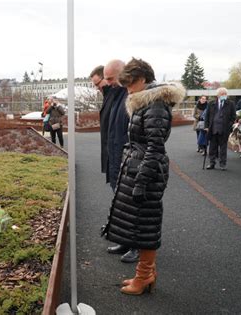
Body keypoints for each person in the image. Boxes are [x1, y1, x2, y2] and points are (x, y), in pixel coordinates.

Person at [104, 58, 185, 295]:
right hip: (140, 168)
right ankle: (146, 275)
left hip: (146, 172)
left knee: (145, 226)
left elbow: (155, 147)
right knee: (141, 224)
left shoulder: (155, 105)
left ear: (141, 79)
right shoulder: (146, 102)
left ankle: (144, 277)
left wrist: (141, 180)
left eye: (130, 84)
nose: (127, 89)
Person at [101, 60, 138, 263]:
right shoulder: (116, 94)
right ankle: (125, 240)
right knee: (121, 205)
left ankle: (136, 245)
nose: (107, 83)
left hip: (128, 161)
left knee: (132, 206)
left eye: (110, 78)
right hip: (116, 159)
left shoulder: (132, 97)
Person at [204, 87, 236, 171]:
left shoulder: (230, 103)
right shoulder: (211, 103)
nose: (224, 95)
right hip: (213, 128)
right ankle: (212, 162)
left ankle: (222, 164)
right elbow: (207, 116)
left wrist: (229, 125)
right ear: (218, 95)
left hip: (224, 129)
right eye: (222, 94)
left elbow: (233, 117)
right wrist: (206, 127)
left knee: (223, 148)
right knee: (212, 147)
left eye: (225, 94)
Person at [89, 65, 111, 179]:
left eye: (98, 84)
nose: (97, 88)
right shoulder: (108, 97)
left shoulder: (116, 97)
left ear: (107, 77)